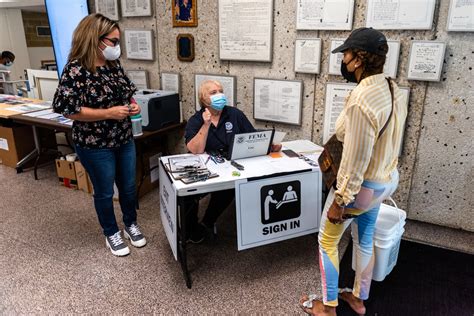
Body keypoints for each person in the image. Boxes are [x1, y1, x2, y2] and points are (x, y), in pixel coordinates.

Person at [299, 27, 407, 315]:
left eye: (346, 54)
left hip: (360, 189)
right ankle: (359, 298)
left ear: (358, 59)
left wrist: (340, 200)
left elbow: (356, 158)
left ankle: (329, 306)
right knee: (365, 236)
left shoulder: (362, 100)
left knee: (327, 241)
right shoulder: (391, 87)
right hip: (384, 182)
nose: (343, 60)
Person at [52, 14, 146, 257]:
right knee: (104, 191)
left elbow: (128, 93)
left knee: (127, 186)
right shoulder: (75, 70)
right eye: (113, 41)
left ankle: (130, 224)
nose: (117, 47)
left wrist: (132, 105)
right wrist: (109, 113)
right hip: (95, 144)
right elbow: (68, 110)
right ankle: (110, 232)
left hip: (123, 138)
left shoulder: (113, 65)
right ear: (95, 39)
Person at [184, 80, 281, 243]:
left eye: (221, 91)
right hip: (205, 168)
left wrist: (269, 145)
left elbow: (252, 137)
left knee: (230, 188)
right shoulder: (196, 120)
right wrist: (206, 125)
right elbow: (195, 149)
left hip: (229, 166)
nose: (219, 95)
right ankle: (192, 231)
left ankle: (208, 222)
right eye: (213, 92)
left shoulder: (234, 114)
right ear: (203, 98)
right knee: (187, 195)